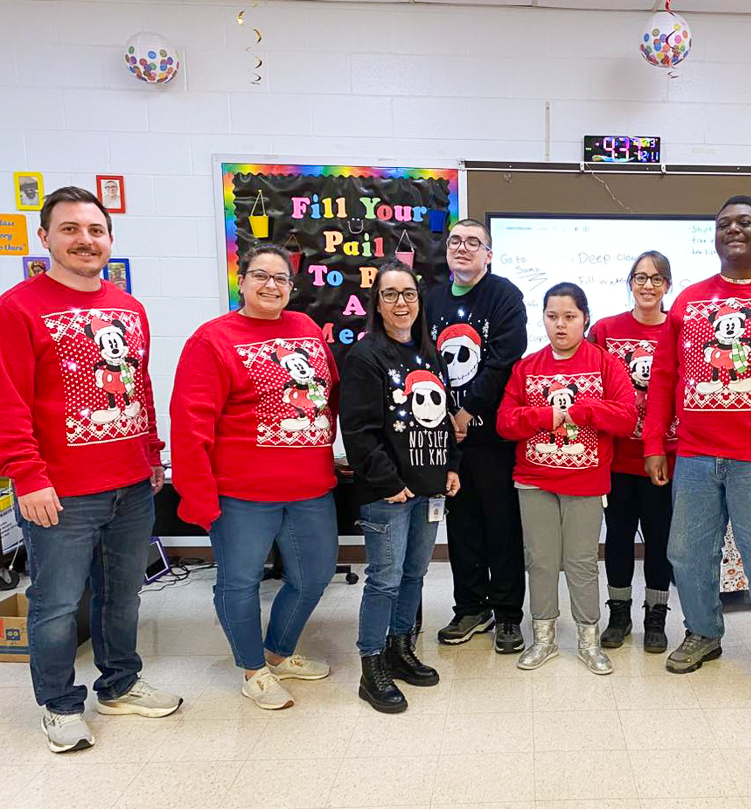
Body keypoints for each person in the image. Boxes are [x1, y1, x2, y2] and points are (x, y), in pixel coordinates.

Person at [0, 186, 181, 753]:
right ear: (46, 237)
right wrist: (26, 474)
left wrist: (151, 451)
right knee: (55, 605)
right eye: (71, 229)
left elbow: (138, 384)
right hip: (61, 491)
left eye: (95, 230)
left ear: (109, 238)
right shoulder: (19, 306)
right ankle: (58, 705)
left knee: (122, 595)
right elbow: (9, 398)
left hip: (131, 483)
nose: (85, 240)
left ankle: (120, 684)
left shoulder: (129, 308)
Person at [643, 195, 751, 701]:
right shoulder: (689, 301)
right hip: (695, 456)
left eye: (745, 223)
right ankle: (703, 633)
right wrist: (655, 443)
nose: (733, 230)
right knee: (686, 553)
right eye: (723, 224)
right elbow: (664, 378)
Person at [171, 243, 338, 711]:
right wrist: (198, 496)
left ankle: (278, 653)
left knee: (315, 574)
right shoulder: (212, 340)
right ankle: (252, 669)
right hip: (243, 494)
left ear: (291, 286)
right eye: (259, 275)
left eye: (281, 278)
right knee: (239, 581)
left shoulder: (306, 328)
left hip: (310, 486)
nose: (271, 285)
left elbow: (329, 395)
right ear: (240, 281)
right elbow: (190, 424)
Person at [497, 283, 637, 673]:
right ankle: (543, 639)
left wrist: (586, 411)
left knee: (581, 562)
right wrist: (544, 416)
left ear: (585, 318)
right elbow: (505, 423)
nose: (560, 325)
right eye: (552, 316)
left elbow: (626, 418)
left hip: (586, 482)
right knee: (540, 561)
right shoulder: (526, 367)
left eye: (570, 317)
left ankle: (588, 641)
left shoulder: (605, 363)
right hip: (533, 480)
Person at [340, 261, 461, 713]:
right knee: (385, 581)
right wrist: (387, 481)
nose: (400, 302)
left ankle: (399, 648)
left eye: (408, 293)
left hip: (428, 488)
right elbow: (357, 429)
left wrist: (451, 464)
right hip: (389, 494)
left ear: (418, 300)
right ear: (377, 303)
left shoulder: (428, 353)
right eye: (390, 294)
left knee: (414, 575)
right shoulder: (366, 355)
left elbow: (443, 419)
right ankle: (371, 666)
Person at [426, 219, 528, 653]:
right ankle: (470, 607)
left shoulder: (504, 296)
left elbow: (505, 358)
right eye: (455, 242)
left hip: (491, 437)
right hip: (442, 437)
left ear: (489, 253)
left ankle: (507, 614)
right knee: (461, 526)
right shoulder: (430, 300)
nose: (462, 248)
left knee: (502, 527)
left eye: (473, 242)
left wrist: (467, 411)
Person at [588, 251, 677, 653]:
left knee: (660, 541)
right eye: (640, 277)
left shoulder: (679, 329)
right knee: (619, 538)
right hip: (618, 459)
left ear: (667, 286)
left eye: (656, 279)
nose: (647, 285)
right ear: (629, 283)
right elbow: (590, 384)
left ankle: (656, 615)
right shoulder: (606, 330)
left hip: (665, 459)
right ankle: (619, 612)